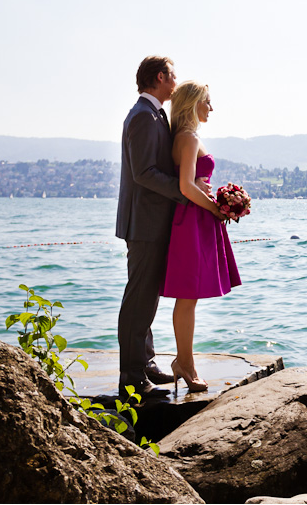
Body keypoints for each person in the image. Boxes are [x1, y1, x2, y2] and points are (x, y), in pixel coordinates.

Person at [116, 56, 191, 400]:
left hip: (152, 221)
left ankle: (144, 362)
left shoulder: (154, 114)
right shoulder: (144, 117)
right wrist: (183, 192)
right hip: (144, 222)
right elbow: (143, 173)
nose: (176, 81)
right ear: (160, 77)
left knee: (147, 297)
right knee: (139, 299)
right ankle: (131, 377)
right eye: (173, 75)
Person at [163, 81, 241, 392]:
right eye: (207, 102)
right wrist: (216, 209)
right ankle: (185, 363)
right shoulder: (189, 138)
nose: (211, 108)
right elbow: (185, 186)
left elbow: (192, 180)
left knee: (189, 297)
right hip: (193, 219)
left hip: (192, 217)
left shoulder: (183, 137)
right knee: (188, 297)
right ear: (194, 104)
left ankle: (184, 361)